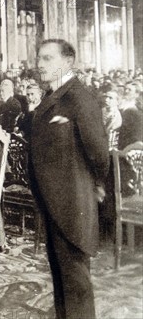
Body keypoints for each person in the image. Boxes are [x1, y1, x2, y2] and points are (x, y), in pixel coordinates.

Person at [30, 39, 109, 319]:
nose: (39, 64)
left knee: (75, 281)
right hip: (55, 201)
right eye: (39, 58)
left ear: (67, 62)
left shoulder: (79, 98)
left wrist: (96, 185)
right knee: (62, 276)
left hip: (72, 202)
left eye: (47, 58)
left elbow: (99, 152)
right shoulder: (54, 95)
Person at [118, 81, 143, 150]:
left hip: (128, 147)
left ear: (136, 94)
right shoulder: (120, 107)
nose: (126, 91)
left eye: (129, 90)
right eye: (125, 89)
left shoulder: (137, 112)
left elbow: (138, 135)